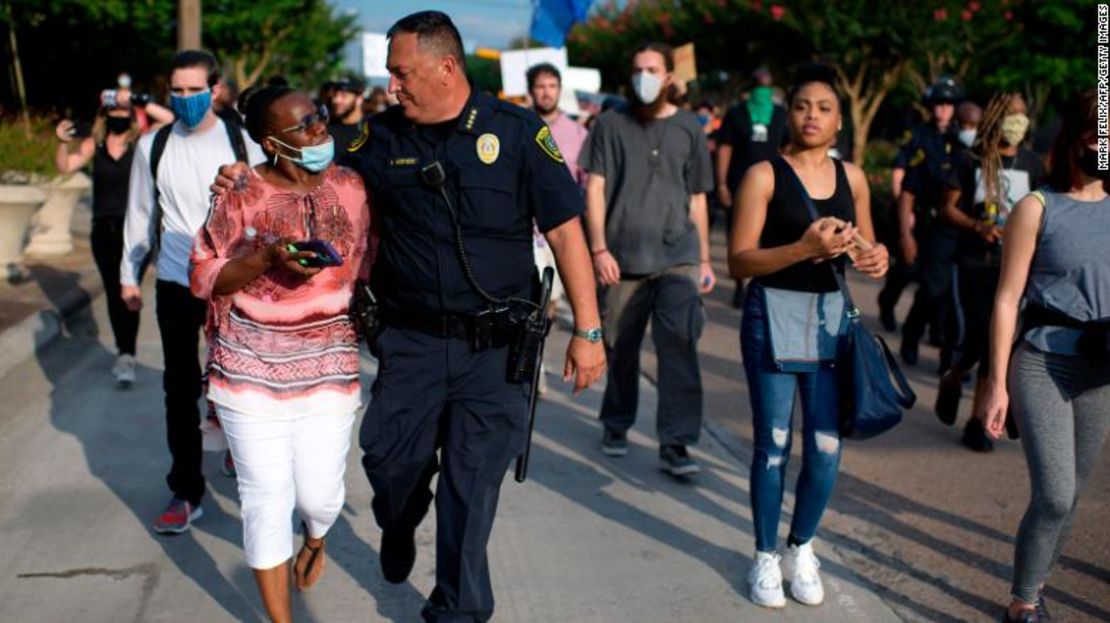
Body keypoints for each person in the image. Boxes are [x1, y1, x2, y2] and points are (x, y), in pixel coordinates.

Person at [210, 12, 606, 621]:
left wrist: (588, 330)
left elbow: (565, 232)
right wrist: (244, 173)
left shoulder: (520, 133)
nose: (393, 86)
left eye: (401, 73)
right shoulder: (378, 138)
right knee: (390, 467)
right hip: (411, 344)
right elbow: (304, 158)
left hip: (496, 351)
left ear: (446, 67)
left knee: (470, 492)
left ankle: (456, 609)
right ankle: (398, 525)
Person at [190, 84, 372, 623]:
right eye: (306, 126)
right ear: (272, 141)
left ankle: (315, 537)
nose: (320, 129)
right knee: (265, 496)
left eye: (317, 117)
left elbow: (373, 257)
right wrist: (267, 258)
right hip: (248, 363)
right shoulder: (242, 191)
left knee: (319, 495)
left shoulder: (353, 185)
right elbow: (204, 275)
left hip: (329, 360)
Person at [728, 65, 889, 608]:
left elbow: (867, 246)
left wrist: (875, 256)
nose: (812, 115)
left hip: (828, 320)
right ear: (787, 114)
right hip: (771, 315)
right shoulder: (764, 175)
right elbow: (739, 261)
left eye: (823, 107)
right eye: (801, 106)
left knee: (825, 446)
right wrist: (803, 249)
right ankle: (765, 556)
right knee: (773, 445)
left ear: (839, 120)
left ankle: (802, 546)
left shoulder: (855, 177)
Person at [978, 90, 1110, 623]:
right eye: (1097, 137)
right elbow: (1007, 298)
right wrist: (996, 383)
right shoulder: (1037, 207)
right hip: (1043, 363)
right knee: (1054, 494)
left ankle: (1035, 586)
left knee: (1074, 495)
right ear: (1075, 139)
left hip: (1101, 369)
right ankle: (1023, 604)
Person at [120, 50, 265, 534]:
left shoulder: (243, 142)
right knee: (178, 387)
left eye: (193, 90)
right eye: (175, 91)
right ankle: (186, 490)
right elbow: (140, 214)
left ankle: (242, 457)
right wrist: (128, 274)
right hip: (176, 281)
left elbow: (270, 210)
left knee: (240, 383)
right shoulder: (153, 145)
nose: (183, 99)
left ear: (216, 89)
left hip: (233, 281)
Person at [580, 42, 715, 476]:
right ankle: (617, 422)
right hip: (621, 258)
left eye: (653, 69)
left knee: (679, 344)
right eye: (638, 69)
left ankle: (677, 442)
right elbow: (594, 189)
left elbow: (697, 198)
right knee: (620, 347)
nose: (645, 76)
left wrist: (706, 260)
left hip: (679, 257)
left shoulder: (690, 128)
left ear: (670, 75)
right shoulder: (609, 124)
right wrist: (598, 248)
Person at [936, 92, 1044, 452]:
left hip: (1012, 266)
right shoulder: (970, 161)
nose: (1017, 121)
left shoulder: (1032, 163)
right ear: (995, 118)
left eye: (1022, 115)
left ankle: (978, 421)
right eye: (1011, 114)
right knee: (980, 336)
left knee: (996, 343)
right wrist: (977, 227)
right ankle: (954, 375)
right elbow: (946, 209)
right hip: (974, 264)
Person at [54, 86, 173, 386]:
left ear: (132, 114)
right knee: (113, 292)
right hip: (103, 230)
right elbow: (66, 166)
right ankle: (125, 352)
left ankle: (126, 354)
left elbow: (170, 119)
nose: (119, 114)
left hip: (135, 232)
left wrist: (134, 98)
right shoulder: (95, 144)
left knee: (128, 291)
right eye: (114, 109)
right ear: (105, 113)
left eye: (124, 110)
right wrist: (61, 142)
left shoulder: (142, 143)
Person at [878, 77, 962, 341]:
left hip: (945, 217)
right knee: (907, 267)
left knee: (935, 276)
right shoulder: (918, 135)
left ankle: (934, 327)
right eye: (938, 104)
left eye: (948, 104)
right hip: (917, 210)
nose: (942, 109)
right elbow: (900, 171)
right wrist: (904, 212)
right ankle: (887, 301)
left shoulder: (960, 139)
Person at [527, 62, 590, 391]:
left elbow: (586, 184)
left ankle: (535, 351)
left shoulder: (578, 134)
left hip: (562, 234)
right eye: (540, 86)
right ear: (530, 90)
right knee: (529, 300)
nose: (546, 92)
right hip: (528, 234)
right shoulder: (520, 126)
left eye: (552, 86)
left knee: (549, 304)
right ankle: (531, 365)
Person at [717, 67, 788, 308]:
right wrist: (722, 184)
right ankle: (740, 286)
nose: (762, 90)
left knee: (769, 238)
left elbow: (787, 151)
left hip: (773, 188)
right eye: (759, 85)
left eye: (766, 86)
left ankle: (761, 286)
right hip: (739, 186)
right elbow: (725, 149)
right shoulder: (736, 114)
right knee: (738, 239)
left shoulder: (781, 115)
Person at [327, 77, 366, 153]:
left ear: (359, 100)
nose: (336, 100)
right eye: (335, 95)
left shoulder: (371, 127)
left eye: (344, 96)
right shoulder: (327, 127)